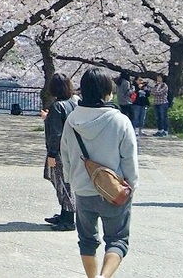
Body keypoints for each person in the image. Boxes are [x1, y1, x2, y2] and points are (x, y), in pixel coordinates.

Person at [60, 67, 139, 278]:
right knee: (118, 240)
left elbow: (65, 154)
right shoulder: (120, 120)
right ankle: (104, 277)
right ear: (107, 91)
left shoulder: (72, 119)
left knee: (86, 240)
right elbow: (129, 158)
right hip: (113, 192)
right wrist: (132, 184)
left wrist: (71, 180)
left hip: (83, 190)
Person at [43, 74, 77, 231]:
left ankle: (68, 219)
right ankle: (64, 214)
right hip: (70, 150)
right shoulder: (72, 104)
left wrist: (51, 154)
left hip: (59, 152)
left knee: (63, 184)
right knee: (66, 183)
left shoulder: (57, 106)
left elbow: (56, 133)